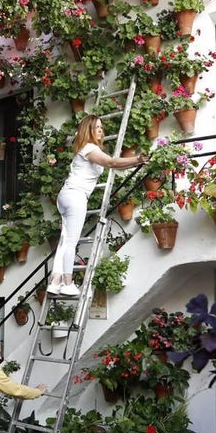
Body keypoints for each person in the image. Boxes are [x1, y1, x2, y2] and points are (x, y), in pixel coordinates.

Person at [47, 114, 146, 296]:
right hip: (76, 196)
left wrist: (135, 163)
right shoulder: (90, 148)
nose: (101, 130)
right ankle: (67, 283)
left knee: (65, 240)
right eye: (96, 127)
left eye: (101, 127)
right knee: (70, 241)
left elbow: (113, 165)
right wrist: (137, 159)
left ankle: (55, 282)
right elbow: (111, 162)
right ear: (88, 130)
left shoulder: (86, 148)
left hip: (67, 195)